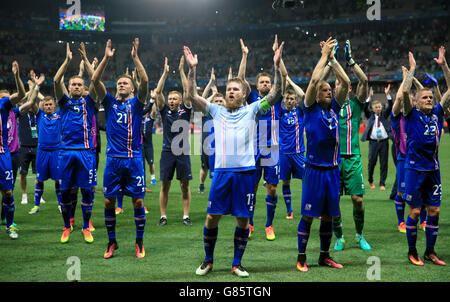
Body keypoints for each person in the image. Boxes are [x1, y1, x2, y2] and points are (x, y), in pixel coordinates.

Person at [185, 40, 284, 278]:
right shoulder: (215, 110)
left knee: (242, 220)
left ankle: (236, 263)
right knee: (211, 217)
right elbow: (191, 95)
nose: (230, 92)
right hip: (221, 173)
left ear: (243, 94)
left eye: (235, 89)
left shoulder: (252, 110)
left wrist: (277, 65)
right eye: (228, 89)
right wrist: (192, 70)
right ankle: (208, 260)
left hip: (246, 173)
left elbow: (276, 92)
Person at [296, 37, 350, 272]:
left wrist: (334, 59)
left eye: (330, 90)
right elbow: (316, 79)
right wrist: (323, 56)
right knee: (308, 216)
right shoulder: (309, 108)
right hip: (314, 170)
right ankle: (301, 257)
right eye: (325, 91)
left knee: (329, 216)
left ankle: (324, 256)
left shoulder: (335, 110)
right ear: (316, 95)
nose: (329, 92)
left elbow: (346, 82)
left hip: (332, 171)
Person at [92, 38, 149, 259]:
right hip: (113, 160)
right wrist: (106, 58)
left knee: (138, 201)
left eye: (125, 83)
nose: (121, 85)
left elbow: (145, 80)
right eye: (119, 83)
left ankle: (139, 241)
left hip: (133, 159)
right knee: (108, 201)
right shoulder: (110, 103)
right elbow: (95, 79)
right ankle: (112, 241)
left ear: (132, 88)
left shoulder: (136, 103)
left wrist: (135, 58)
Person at [401, 51, 449, 266]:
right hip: (414, 170)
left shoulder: (437, 114)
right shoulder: (411, 114)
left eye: (431, 97)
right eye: (425, 98)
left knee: (435, 210)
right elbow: (404, 91)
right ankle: (412, 252)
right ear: (416, 101)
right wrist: (412, 71)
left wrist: (444, 65)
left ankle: (430, 251)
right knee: (415, 211)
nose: (429, 100)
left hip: (433, 170)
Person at [325, 40, 371, 251]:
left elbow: (365, 80)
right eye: (335, 85)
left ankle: (360, 235)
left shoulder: (356, 104)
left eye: (341, 84)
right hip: (333, 160)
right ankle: (340, 236)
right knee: (334, 201)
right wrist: (328, 59)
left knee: (357, 200)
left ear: (348, 88)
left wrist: (351, 62)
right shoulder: (328, 107)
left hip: (352, 158)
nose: (338, 87)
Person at [239, 37, 286, 240]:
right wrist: (244, 55)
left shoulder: (276, 97)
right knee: (253, 187)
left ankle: (269, 225)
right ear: (257, 85)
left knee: (272, 188)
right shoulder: (252, 99)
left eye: (268, 82)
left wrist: (277, 61)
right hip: (254, 149)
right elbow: (241, 81)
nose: (266, 84)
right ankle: (249, 224)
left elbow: (281, 80)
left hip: (273, 149)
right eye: (262, 82)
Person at [53, 42, 98, 244]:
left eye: (80, 85)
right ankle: (66, 226)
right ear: (69, 87)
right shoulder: (63, 103)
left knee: (87, 191)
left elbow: (96, 80)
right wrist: (67, 60)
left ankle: (86, 226)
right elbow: (55, 80)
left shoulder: (89, 102)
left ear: (83, 88)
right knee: (65, 192)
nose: (77, 87)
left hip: (86, 153)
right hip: (66, 152)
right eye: (74, 85)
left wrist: (87, 61)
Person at [155, 57, 193, 227]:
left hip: (183, 151)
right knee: (165, 185)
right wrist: (164, 73)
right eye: (169, 98)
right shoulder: (164, 111)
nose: (171, 101)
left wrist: (181, 71)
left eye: (174, 99)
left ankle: (186, 216)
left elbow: (188, 91)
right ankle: (163, 216)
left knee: (184, 185)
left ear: (180, 101)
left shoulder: (185, 110)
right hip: (167, 152)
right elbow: (157, 93)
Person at [21, 72, 63, 216]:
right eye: (46, 105)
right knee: (39, 180)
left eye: (51, 104)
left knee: (58, 180)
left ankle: (60, 204)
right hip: (42, 152)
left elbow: (64, 100)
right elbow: (31, 101)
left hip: (56, 151)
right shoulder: (40, 115)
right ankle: (36, 205)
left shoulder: (59, 115)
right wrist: (35, 86)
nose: (49, 106)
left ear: (54, 105)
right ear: (43, 106)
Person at [0, 61, 26, 239]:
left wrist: (16, 76)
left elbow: (22, 94)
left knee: (8, 192)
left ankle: (10, 225)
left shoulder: (3, 105)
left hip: (2, 153)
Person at [276, 81, 305, 221]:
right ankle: (289, 210)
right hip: (284, 154)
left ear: (295, 101)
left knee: (308, 180)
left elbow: (304, 95)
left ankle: (309, 208)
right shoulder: (280, 112)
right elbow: (276, 96)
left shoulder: (300, 111)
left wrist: (290, 82)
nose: (289, 100)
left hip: (299, 153)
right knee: (285, 183)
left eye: (292, 98)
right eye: (287, 98)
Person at [361, 85, 393, 191]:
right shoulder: (370, 115)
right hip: (373, 142)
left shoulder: (384, 114)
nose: (379, 108)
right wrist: (369, 97)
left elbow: (391, 106)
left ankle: (382, 183)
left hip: (384, 142)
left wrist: (387, 94)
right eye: (376, 107)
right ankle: (370, 181)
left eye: (380, 107)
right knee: (372, 162)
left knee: (384, 164)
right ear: (373, 109)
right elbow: (365, 108)